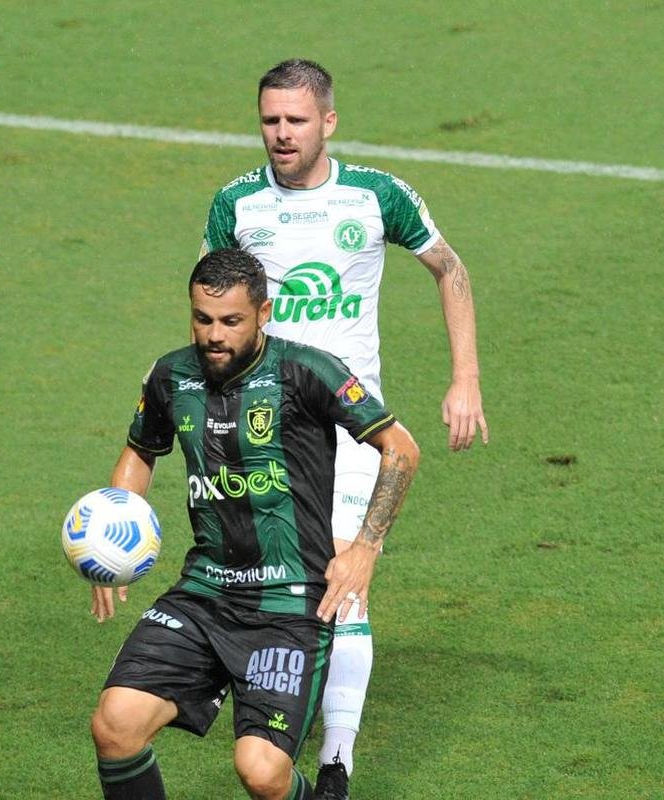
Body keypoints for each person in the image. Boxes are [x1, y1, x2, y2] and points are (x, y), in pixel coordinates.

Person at [200, 59, 489, 798]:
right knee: (255, 577)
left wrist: (465, 380)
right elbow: (213, 311)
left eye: (296, 120)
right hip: (261, 431)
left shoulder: (375, 194)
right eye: (270, 121)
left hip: (352, 427)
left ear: (327, 121)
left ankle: (336, 759)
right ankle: (238, 691)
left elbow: (449, 268)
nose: (281, 134)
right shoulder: (235, 204)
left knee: (343, 580)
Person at [90, 249, 419, 800]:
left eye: (231, 321)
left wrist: (365, 546)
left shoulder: (307, 371)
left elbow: (400, 449)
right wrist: (111, 535)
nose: (214, 335)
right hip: (204, 592)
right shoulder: (172, 375)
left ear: (263, 312)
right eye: (202, 319)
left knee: (261, 772)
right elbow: (141, 450)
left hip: (290, 605)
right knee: (115, 724)